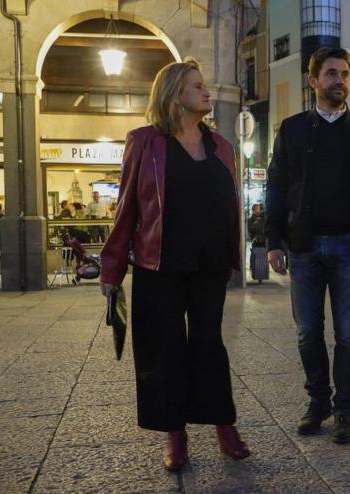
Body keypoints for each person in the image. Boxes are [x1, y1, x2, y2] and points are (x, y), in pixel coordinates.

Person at [99, 59, 250, 472]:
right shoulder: (145, 142)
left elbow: (228, 205)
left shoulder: (221, 145)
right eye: (198, 86)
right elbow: (126, 206)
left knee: (209, 345)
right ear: (174, 95)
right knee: (164, 349)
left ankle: (224, 424)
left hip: (209, 263)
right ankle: (175, 433)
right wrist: (112, 269)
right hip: (158, 262)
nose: (207, 92)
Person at [265, 47, 350, 445]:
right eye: (332, 73)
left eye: (344, 74)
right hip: (303, 246)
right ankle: (318, 402)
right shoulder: (292, 129)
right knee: (307, 332)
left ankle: (344, 411)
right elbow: (277, 188)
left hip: (349, 246)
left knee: (349, 334)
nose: (340, 80)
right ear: (313, 81)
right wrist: (273, 240)